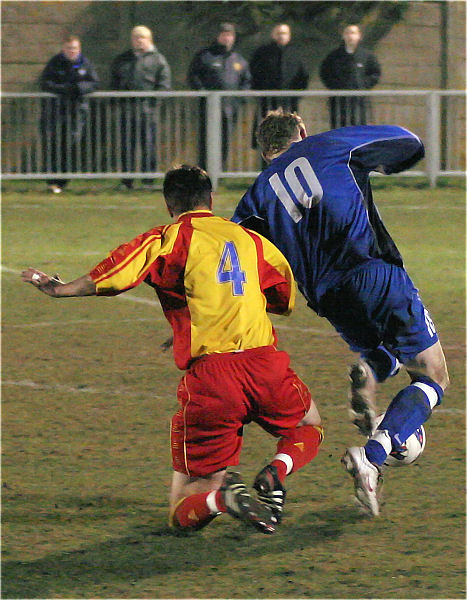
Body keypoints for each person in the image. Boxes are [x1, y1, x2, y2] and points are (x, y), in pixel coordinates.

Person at [21, 164, 323, 535]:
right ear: (211, 199)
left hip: (213, 380)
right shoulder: (249, 239)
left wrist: (60, 288)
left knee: (183, 509)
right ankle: (277, 471)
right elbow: (282, 296)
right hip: (265, 367)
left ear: (169, 206)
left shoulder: (168, 238)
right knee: (308, 425)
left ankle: (220, 499)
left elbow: (116, 274)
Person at [232, 110, 449, 517]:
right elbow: (408, 141)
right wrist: (387, 163)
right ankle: (373, 455)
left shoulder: (255, 197)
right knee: (433, 375)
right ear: (302, 132)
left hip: (330, 299)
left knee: (382, 355)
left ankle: (370, 372)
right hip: (372, 270)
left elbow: (235, 254)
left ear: (264, 153)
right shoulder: (332, 145)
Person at [110, 25, 171, 190]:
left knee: (148, 146)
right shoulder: (123, 59)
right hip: (127, 111)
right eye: (136, 38)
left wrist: (153, 104)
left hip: (148, 111)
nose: (139, 41)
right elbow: (114, 83)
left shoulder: (158, 60)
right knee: (127, 146)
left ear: (149, 39)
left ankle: (148, 181)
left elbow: (164, 85)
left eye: (142, 37)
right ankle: (127, 181)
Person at [39, 35, 99, 193]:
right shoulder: (55, 63)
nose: (72, 51)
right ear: (63, 48)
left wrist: (79, 89)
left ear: (79, 49)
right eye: (69, 48)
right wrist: (63, 89)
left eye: (75, 48)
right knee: (53, 145)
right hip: (55, 113)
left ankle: (63, 181)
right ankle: (52, 181)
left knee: (70, 145)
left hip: (76, 113)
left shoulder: (85, 63)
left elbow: (93, 83)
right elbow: (45, 83)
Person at [188, 23, 251, 169]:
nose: (227, 38)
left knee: (225, 140)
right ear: (218, 36)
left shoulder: (239, 59)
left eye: (230, 35)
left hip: (230, 108)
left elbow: (246, 81)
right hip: (209, 108)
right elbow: (194, 76)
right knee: (206, 140)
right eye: (224, 35)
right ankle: (204, 172)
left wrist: (240, 99)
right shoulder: (205, 56)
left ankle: (219, 171)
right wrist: (203, 94)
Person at [250, 24, 308, 152]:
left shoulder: (296, 52)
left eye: (285, 33)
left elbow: (303, 76)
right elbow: (254, 74)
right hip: (267, 103)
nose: (282, 36)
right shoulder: (263, 52)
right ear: (273, 35)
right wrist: (260, 93)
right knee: (267, 138)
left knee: (290, 137)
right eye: (279, 33)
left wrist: (296, 95)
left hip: (289, 104)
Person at [319, 24, 381, 128]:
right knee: (339, 129)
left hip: (359, 102)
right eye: (347, 33)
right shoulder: (334, 56)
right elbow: (325, 73)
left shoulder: (367, 56)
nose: (350, 36)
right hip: (339, 102)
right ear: (343, 36)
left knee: (359, 130)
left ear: (359, 36)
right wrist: (335, 87)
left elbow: (375, 73)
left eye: (353, 33)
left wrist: (363, 85)